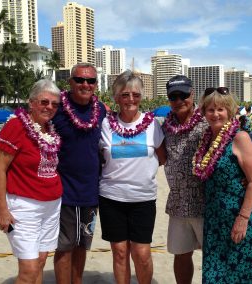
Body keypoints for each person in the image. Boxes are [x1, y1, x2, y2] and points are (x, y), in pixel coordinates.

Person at [0, 79, 62, 284]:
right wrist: (2, 210)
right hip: (24, 206)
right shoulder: (16, 126)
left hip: (51, 205)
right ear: (31, 103)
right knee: (29, 269)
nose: (49, 107)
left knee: (40, 262)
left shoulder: (50, 129)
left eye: (54, 104)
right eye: (44, 102)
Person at [98, 70, 166, 284]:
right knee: (119, 252)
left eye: (135, 94)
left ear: (141, 97)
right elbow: (99, 157)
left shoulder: (152, 124)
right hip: (111, 197)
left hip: (143, 199)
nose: (130, 99)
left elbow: (161, 157)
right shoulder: (106, 125)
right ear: (116, 97)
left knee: (142, 253)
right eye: (125, 94)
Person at [193, 87, 252, 283]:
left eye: (221, 109)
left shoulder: (240, 138)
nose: (215, 114)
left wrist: (243, 218)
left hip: (238, 217)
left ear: (230, 111)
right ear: (204, 112)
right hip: (214, 220)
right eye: (210, 109)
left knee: (238, 276)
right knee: (213, 275)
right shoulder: (206, 140)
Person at [52, 63, 107, 284]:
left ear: (96, 85)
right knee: (65, 247)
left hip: (91, 192)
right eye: (80, 80)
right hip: (64, 191)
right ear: (70, 82)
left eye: (91, 80)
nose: (86, 84)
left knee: (83, 244)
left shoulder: (101, 109)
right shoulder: (56, 108)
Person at [162, 75, 208, 284]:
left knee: (213, 255)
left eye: (184, 95)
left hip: (206, 202)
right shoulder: (164, 127)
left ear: (192, 94)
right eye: (174, 96)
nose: (179, 100)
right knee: (181, 254)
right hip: (178, 202)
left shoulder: (208, 122)